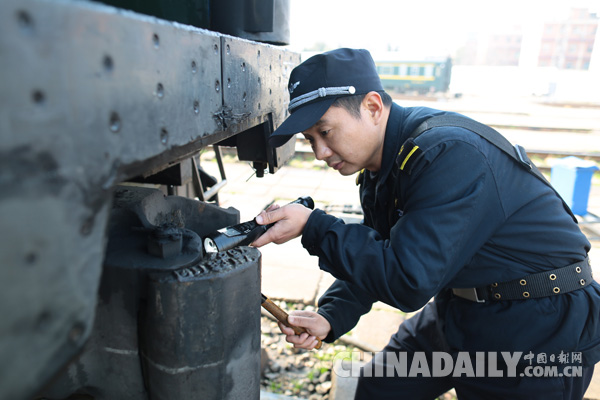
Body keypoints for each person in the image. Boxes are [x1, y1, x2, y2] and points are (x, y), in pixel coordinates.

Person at [251, 48, 600, 399]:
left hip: (539, 325)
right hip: (464, 306)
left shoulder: (446, 154)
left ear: (372, 107)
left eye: (325, 132)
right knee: (381, 389)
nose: (320, 152)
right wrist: (331, 314)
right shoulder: (382, 164)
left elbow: (407, 280)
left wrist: (313, 227)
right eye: (310, 139)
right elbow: (385, 249)